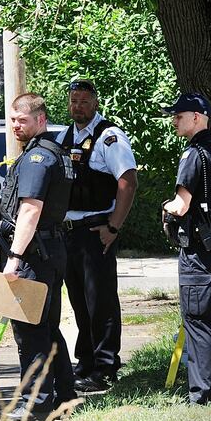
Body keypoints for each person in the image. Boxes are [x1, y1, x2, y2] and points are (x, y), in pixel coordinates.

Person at [54, 79, 138, 392]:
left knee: (99, 302)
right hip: (69, 233)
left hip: (95, 232)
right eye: (74, 101)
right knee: (78, 302)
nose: (78, 106)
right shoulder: (65, 136)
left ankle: (105, 367)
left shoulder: (109, 137)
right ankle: (86, 362)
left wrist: (113, 227)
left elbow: (128, 181)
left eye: (84, 101)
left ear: (96, 103)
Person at [0, 92, 76, 421]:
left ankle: (35, 401)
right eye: (13, 120)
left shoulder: (36, 159)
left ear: (40, 120)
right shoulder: (53, 153)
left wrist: (14, 258)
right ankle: (63, 394)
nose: (16, 125)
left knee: (29, 330)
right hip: (50, 250)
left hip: (33, 254)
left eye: (23, 120)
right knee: (45, 327)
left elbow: (30, 210)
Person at [161, 93, 211, 405]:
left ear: (197, 117)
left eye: (179, 115)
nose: (174, 120)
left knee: (198, 323)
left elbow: (181, 206)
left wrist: (165, 207)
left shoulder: (193, 155)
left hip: (198, 254)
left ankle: (201, 395)